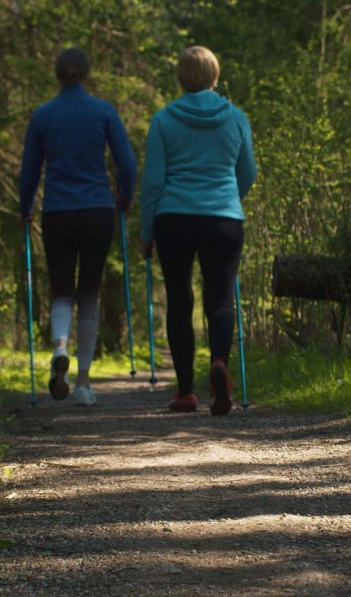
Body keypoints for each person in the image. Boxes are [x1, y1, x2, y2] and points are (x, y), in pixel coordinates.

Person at [139, 46, 256, 416]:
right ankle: (219, 364)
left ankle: (186, 392)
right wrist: (226, 200)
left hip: (174, 219)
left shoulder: (163, 120)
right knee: (220, 300)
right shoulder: (236, 118)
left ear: (181, 78)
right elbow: (248, 172)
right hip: (224, 218)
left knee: (179, 300)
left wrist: (147, 233)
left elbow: (153, 183)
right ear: (215, 76)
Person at [19, 48, 137, 406]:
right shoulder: (103, 112)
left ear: (58, 76)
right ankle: (83, 383)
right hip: (98, 209)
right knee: (89, 293)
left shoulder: (43, 115)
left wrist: (25, 208)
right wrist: (125, 197)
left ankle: (59, 348)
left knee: (61, 291)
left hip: (58, 211)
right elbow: (128, 164)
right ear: (87, 76)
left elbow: (29, 171)